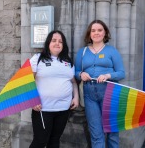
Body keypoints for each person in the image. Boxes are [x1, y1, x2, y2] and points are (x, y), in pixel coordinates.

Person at [75, 20, 125, 148]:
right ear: (89, 34)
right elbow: (75, 72)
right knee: (96, 133)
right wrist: (81, 74)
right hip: (89, 94)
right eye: (93, 30)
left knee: (112, 132)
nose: (96, 33)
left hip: (110, 92)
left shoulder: (112, 51)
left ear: (105, 33)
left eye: (99, 30)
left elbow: (121, 73)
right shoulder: (83, 52)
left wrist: (108, 75)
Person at [29, 30, 79, 148]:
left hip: (63, 109)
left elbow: (74, 82)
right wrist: (32, 100)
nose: (57, 43)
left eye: (60, 41)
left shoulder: (68, 62)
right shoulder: (38, 59)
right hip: (43, 109)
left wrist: (76, 97)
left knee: (54, 141)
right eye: (54, 40)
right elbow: (27, 82)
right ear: (48, 43)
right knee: (40, 141)